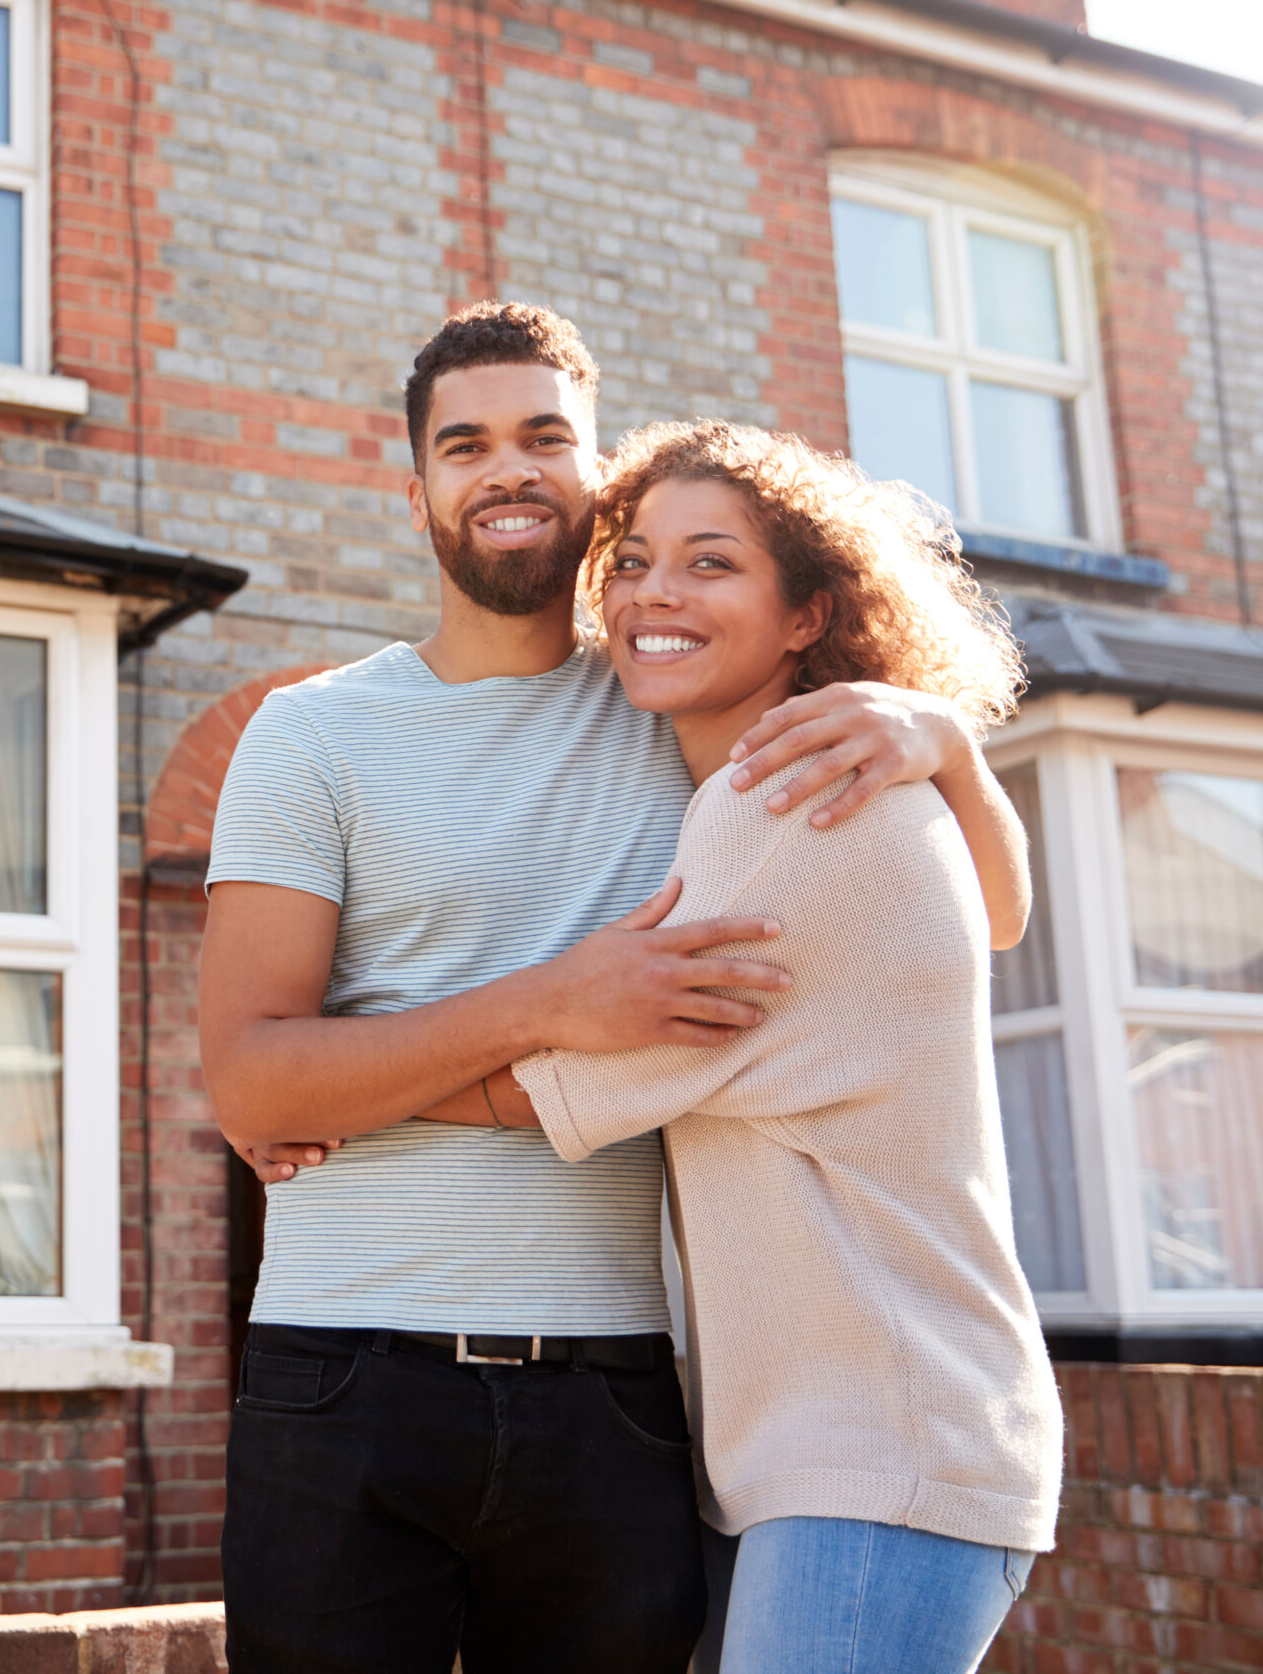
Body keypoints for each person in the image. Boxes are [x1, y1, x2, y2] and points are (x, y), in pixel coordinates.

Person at [199, 302, 1033, 1674]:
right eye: (465, 445)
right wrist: (550, 1001)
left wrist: (946, 738)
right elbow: (250, 1079)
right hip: (342, 1366)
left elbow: (983, 921)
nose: (507, 467)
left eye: (545, 436)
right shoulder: (311, 733)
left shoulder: (692, 715)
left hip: (621, 1390)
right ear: (418, 494)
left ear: (596, 485)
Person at [427, 418, 1062, 1673]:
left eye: (710, 564)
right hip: (829, 1451)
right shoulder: (831, 779)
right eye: (635, 560)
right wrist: (948, 746)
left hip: (882, 1450)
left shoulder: (780, 805)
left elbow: (542, 1093)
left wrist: (314, 1087)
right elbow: (1000, 919)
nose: (656, 592)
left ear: (806, 614)